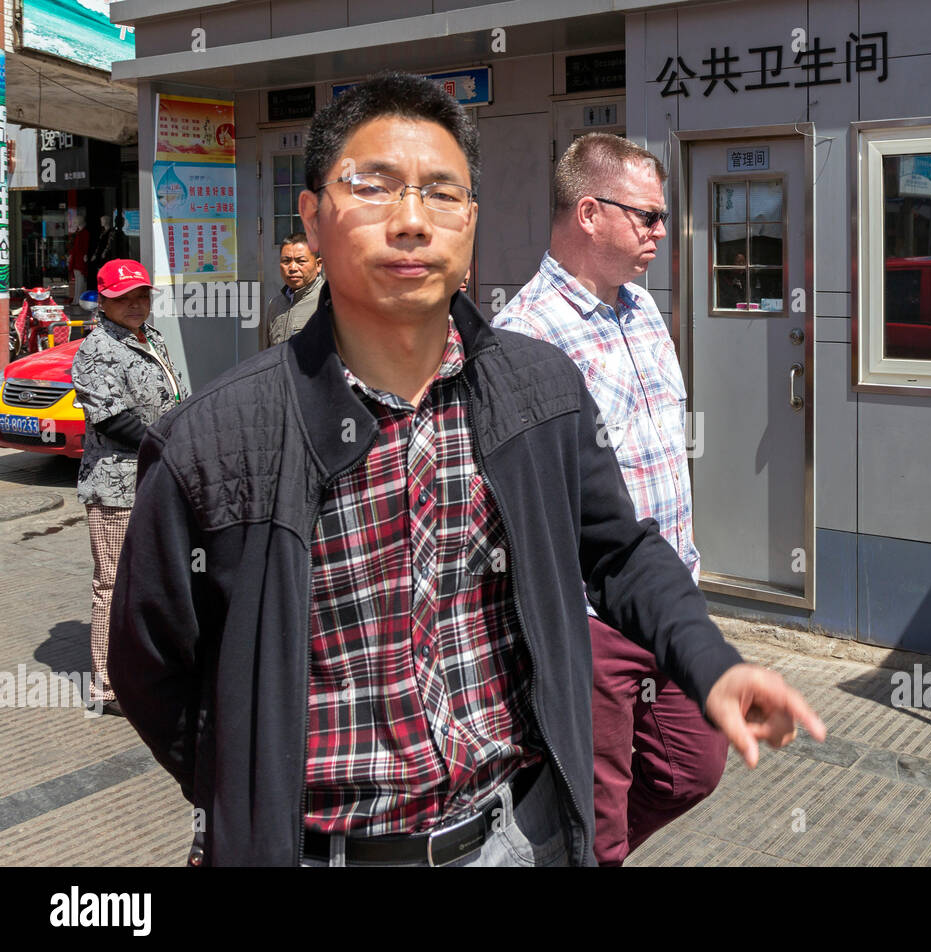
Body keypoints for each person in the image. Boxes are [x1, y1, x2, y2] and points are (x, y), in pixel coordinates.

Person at [108, 72, 824, 868]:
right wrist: (251, 790)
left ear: (472, 221)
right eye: (372, 187)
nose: (412, 221)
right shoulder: (216, 441)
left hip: (515, 837)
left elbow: (619, 550)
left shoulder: (536, 391)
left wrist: (712, 664)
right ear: (311, 216)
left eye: (442, 193)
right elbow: (152, 668)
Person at [494, 133, 725, 866]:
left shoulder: (643, 310)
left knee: (695, 767)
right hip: (589, 619)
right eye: (648, 217)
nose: (661, 232)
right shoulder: (523, 337)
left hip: (669, 595)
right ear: (589, 213)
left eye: (663, 217)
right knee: (598, 816)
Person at [71, 259, 188, 717]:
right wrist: (171, 443)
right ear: (103, 301)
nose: (136, 305)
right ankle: (106, 685)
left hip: (157, 478)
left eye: (141, 295)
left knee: (152, 582)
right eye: (124, 298)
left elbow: (172, 397)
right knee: (113, 584)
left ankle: (146, 672)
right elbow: (113, 420)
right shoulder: (96, 349)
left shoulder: (150, 338)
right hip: (116, 486)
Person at [259, 232, 324, 348]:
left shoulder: (328, 301)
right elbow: (266, 354)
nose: (293, 268)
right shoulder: (275, 305)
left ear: (318, 265)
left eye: (301, 261)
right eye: (286, 261)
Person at [89, 214, 129, 289]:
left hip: (107, 256)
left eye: (103, 220)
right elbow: (100, 244)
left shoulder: (112, 232)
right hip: (101, 256)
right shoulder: (103, 232)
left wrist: (104, 252)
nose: (101, 222)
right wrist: (95, 254)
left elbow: (109, 244)